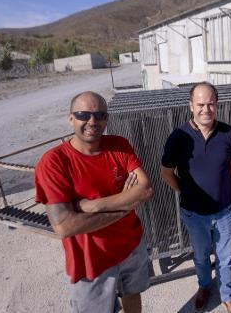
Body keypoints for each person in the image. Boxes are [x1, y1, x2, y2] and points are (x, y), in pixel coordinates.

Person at [34, 91, 154, 313]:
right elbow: (64, 226)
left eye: (100, 115)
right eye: (84, 114)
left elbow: (145, 189)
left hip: (131, 245)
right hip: (91, 261)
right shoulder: (54, 162)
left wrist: (92, 205)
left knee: (132, 293)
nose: (92, 121)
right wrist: (126, 204)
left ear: (107, 119)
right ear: (71, 118)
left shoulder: (119, 145)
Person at [160, 82, 231, 313]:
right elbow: (166, 173)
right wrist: (185, 191)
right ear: (190, 106)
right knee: (201, 256)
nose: (206, 109)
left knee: (225, 258)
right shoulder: (178, 137)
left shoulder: (228, 133)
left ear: (217, 105)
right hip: (194, 214)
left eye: (211, 104)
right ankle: (204, 287)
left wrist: (221, 183)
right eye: (200, 104)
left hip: (225, 211)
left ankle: (227, 296)